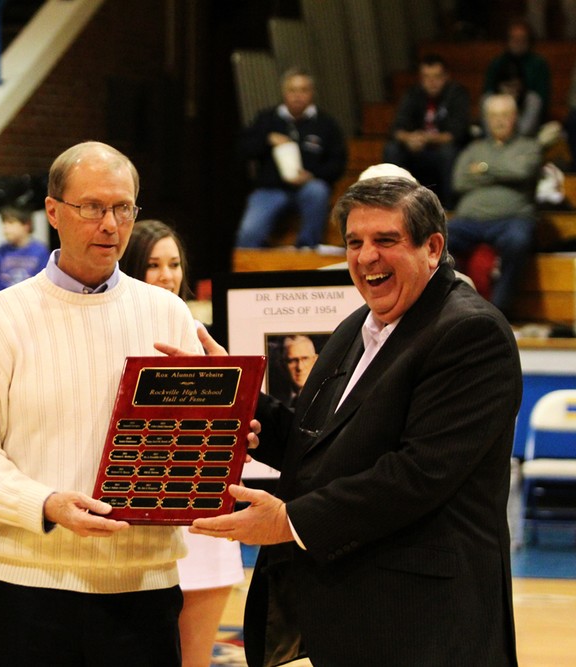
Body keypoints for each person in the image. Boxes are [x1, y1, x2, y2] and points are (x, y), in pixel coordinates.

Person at [174, 176, 522, 666]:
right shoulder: (358, 325)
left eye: (386, 240)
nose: (366, 257)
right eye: (354, 242)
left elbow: (417, 474)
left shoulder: (471, 332)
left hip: (431, 625)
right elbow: (322, 444)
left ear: (432, 248)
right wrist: (237, 396)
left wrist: (289, 521)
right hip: (355, 615)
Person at [0, 141, 233, 666]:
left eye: (123, 208)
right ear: (53, 211)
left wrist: (225, 418)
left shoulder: (168, 314)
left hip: (143, 588)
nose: (110, 224)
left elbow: (189, 451)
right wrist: (46, 504)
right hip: (23, 586)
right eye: (93, 207)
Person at [121, 218, 245, 667]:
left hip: (203, 518)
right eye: (153, 265)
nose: (167, 275)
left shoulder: (202, 337)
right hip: (137, 523)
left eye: (174, 264)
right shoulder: (112, 334)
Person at [448, 94, 541, 315]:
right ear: (486, 119)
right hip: (469, 221)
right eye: (494, 116)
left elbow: (522, 171)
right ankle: (460, 302)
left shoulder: (529, 146)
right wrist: (504, 171)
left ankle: (499, 309)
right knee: (438, 238)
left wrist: (483, 169)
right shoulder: (473, 149)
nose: (499, 121)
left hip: (512, 220)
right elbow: (459, 181)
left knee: (518, 240)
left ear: (515, 117)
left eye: (505, 115)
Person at [235, 67, 347, 249]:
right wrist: (267, 139)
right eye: (292, 90)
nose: (297, 96)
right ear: (283, 92)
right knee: (247, 234)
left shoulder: (326, 124)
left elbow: (338, 163)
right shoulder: (267, 119)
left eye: (303, 90)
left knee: (318, 191)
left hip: (308, 186)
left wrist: (313, 175)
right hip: (270, 189)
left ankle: (307, 249)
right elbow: (243, 149)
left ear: (312, 93)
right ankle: (256, 259)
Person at [383, 54, 471, 207]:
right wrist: (409, 138)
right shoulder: (413, 94)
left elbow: (457, 133)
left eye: (436, 77)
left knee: (448, 153)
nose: (431, 82)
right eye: (426, 77)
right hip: (417, 150)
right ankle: (395, 204)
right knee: (392, 149)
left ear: (446, 77)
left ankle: (449, 207)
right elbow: (396, 129)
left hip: (443, 151)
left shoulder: (457, 94)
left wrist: (426, 138)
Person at [0, 204, 50, 304]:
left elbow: (44, 287)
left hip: (31, 304)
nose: (5, 227)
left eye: (11, 223)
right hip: (3, 305)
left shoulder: (40, 252)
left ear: (26, 225)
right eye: (4, 223)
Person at [483, 19, 551, 124]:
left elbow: (542, 98)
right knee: (487, 99)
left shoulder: (538, 64)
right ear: (508, 40)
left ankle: (522, 133)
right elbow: (489, 89)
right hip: (500, 108)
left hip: (525, 111)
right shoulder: (498, 63)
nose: (518, 42)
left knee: (533, 100)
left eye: (522, 38)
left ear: (529, 40)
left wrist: (520, 94)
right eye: (514, 38)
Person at [276, 334, 318, 407]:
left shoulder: (328, 395)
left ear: (315, 360)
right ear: (282, 364)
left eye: (305, 359)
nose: (300, 367)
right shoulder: (275, 400)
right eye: (293, 360)